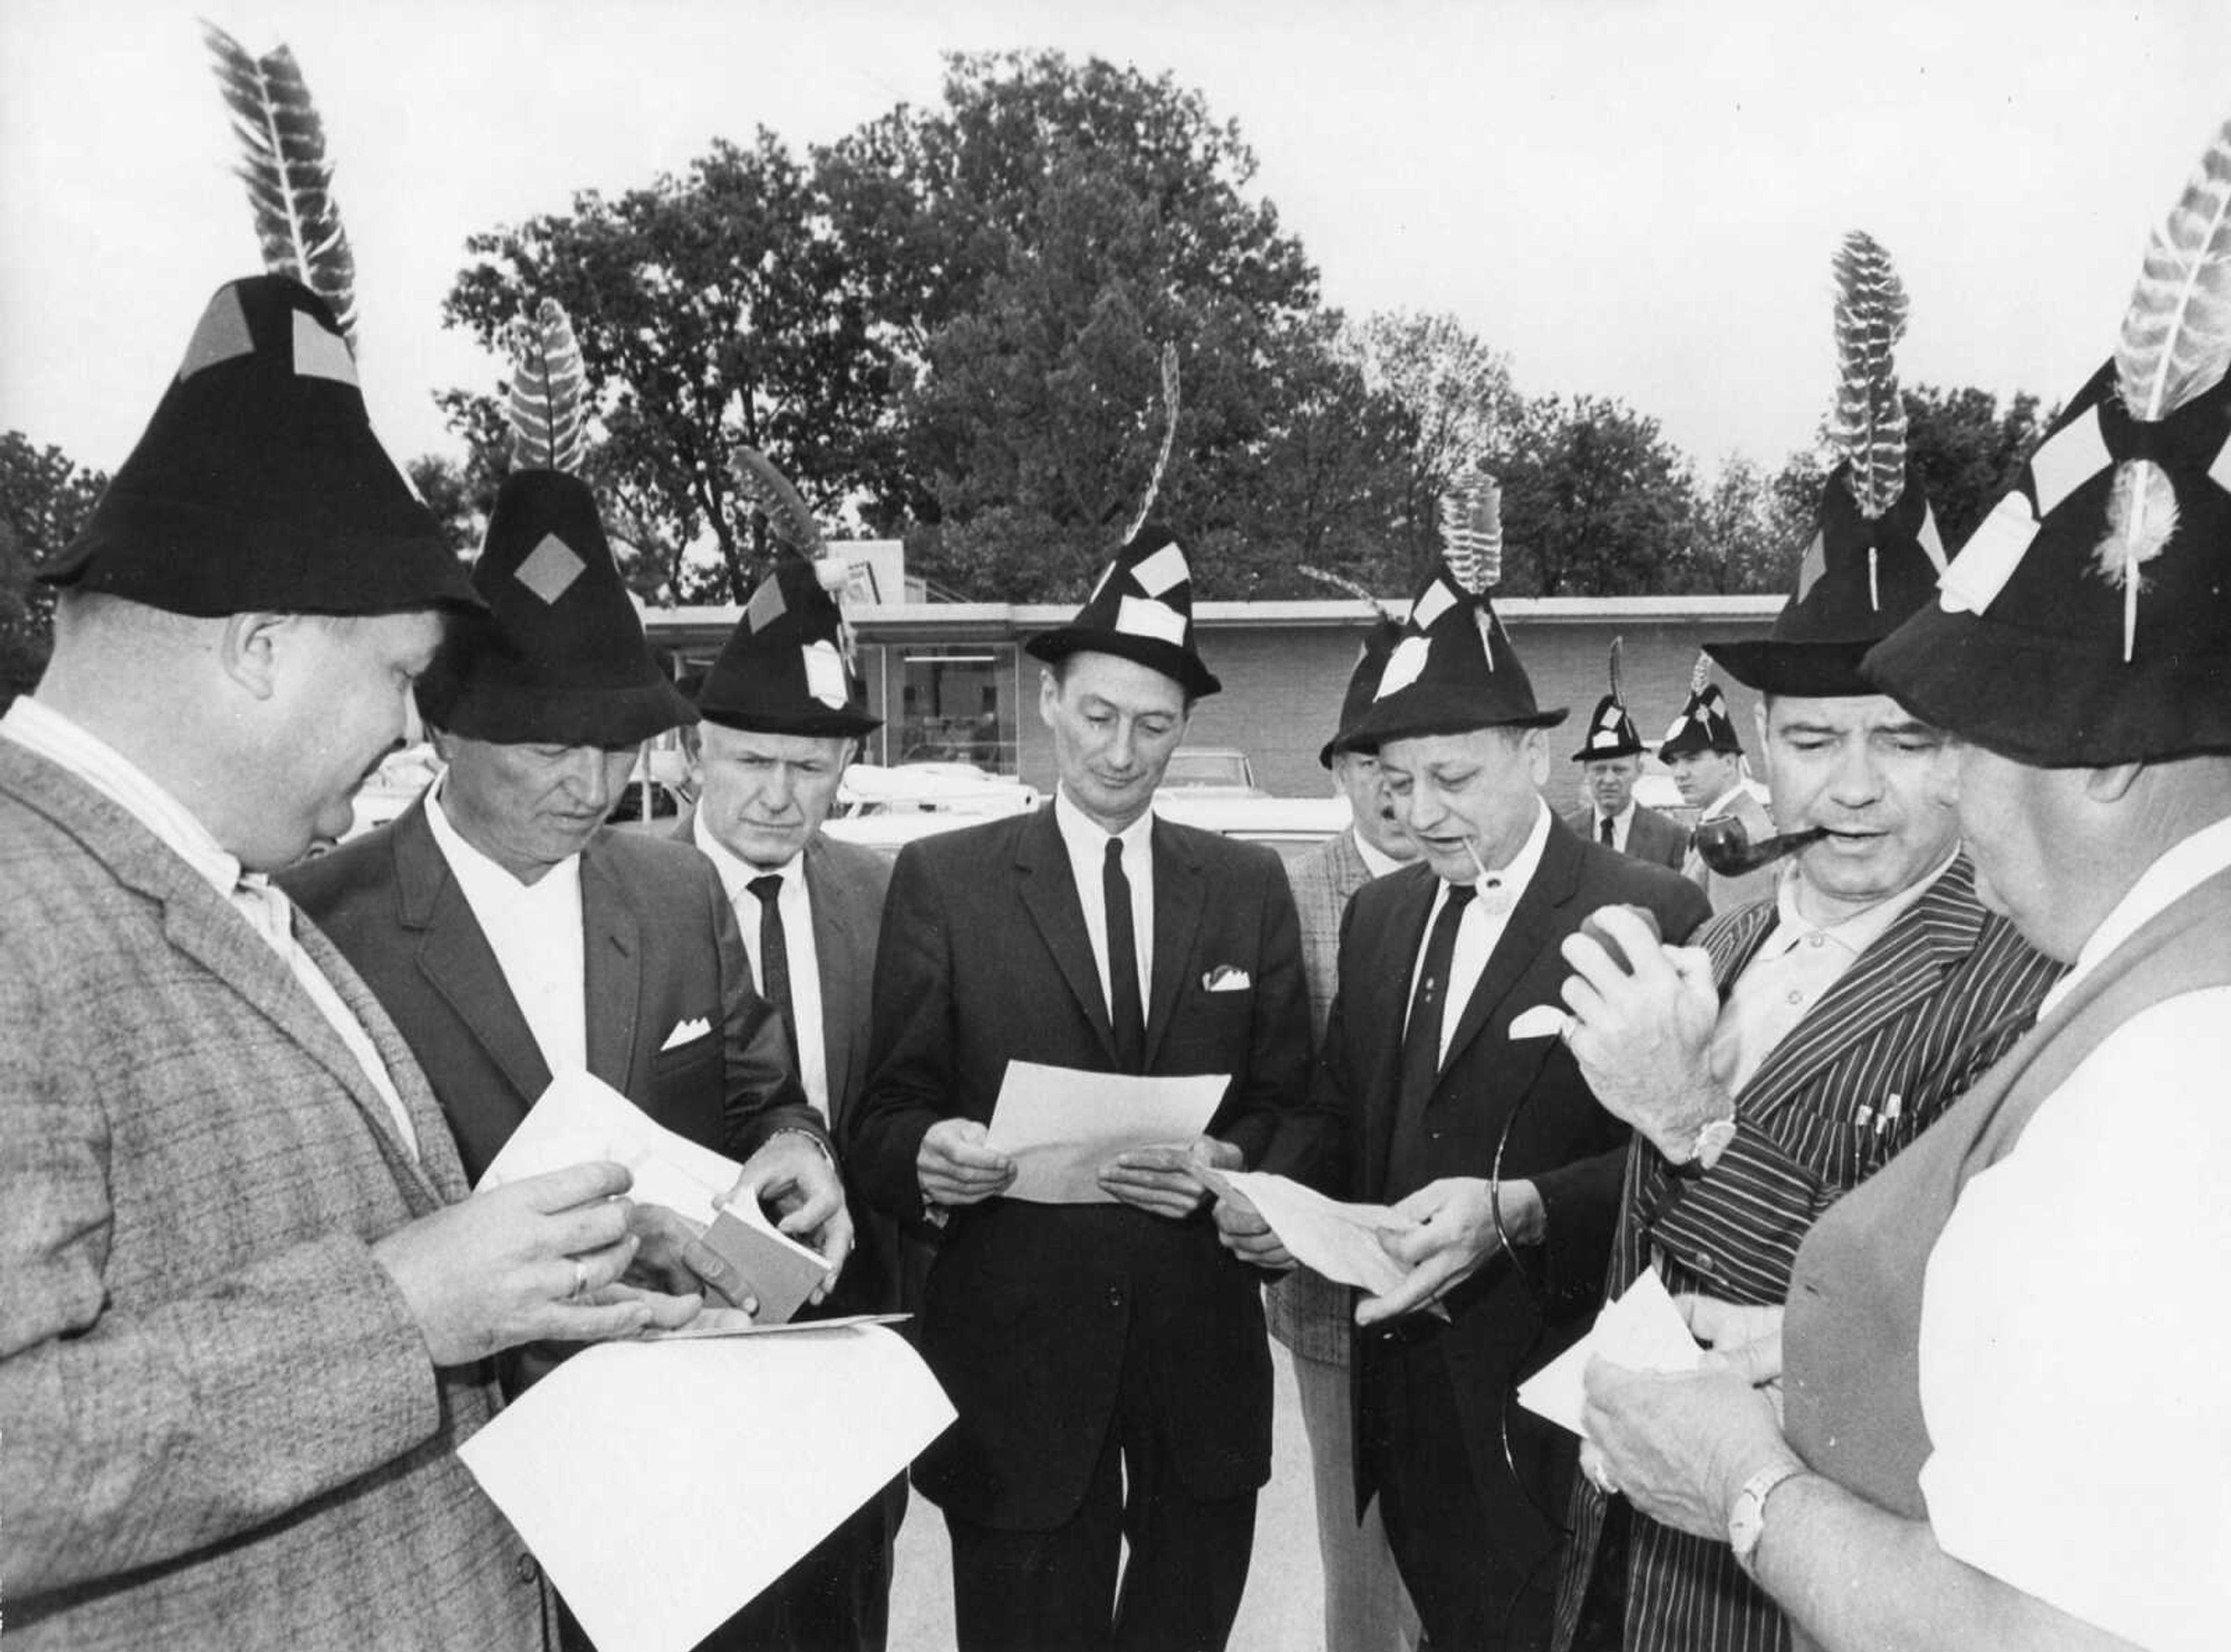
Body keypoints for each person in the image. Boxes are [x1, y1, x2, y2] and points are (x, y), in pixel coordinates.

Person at [1579, 134, 2231, 1652]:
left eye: (1958, 739)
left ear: (2102, 764)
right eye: (1816, 740)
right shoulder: (2146, 983)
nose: (1922, 790)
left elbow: (2060, 1621)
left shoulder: (2164, 1059)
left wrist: (1747, 1484)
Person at [0, 276, 697, 1650]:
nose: (406, 730)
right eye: (396, 678)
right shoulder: (24, 912)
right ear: (261, 650)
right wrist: (407, 1307)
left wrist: (532, 1290)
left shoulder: (234, 882)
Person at [1548, 230, 2062, 1652]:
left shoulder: (2021, 977)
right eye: (1815, 740)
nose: (1851, 786)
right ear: (1755, 743)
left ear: (1970, 753)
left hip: (1816, 1585)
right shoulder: (1712, 936)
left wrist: (1690, 1118)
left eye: (1904, 743)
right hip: (1625, 1551)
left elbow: (1902, 1314)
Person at [1226, 475, 1710, 1651]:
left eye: (1456, 780)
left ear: (1533, 757)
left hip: (1562, 1414)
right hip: (1408, 1413)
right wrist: (1266, 1194)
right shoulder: (1384, 917)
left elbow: (1688, 1168)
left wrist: (1520, 1212)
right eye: (1399, 784)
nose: (1425, 813)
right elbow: (1348, 1113)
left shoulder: (1649, 912)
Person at [281, 345, 845, 1299]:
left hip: (675, 1386)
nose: (595, 784)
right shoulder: (323, 924)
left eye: (620, 744)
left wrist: (798, 1149)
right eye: (550, 748)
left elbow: (762, 1095)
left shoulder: (678, 891)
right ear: (445, 729)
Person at [845, 525, 1312, 1652]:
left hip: (1197, 1372)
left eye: (1154, 727)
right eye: (1099, 717)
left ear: (1185, 728)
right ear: (1047, 700)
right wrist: (930, 1155)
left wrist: (1243, 1169)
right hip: (1017, 1379)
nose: (1121, 751)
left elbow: (1298, 1102)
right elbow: (884, 1113)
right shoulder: (946, 884)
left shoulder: (1246, 888)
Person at [683, 539, 909, 1652]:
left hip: (854, 1326)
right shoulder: (623, 896)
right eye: (751, 759)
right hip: (686, 1333)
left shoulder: (891, 895)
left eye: (810, 766)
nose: (780, 793)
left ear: (843, 773)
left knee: (847, 1603)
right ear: (693, 752)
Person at [1264, 612, 1424, 1652]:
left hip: (1477, 1286)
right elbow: (1275, 1090)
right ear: (1340, 771)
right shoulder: (1283, 897)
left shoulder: (1488, 892)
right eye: (1372, 761)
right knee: (1362, 1571)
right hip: (1335, 1303)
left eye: (1415, 762)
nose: (1396, 787)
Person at [1660, 660, 1775, 910]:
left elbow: (1732, 937)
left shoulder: (1737, 835)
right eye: (1673, 762)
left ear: (1728, 763)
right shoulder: (1722, 822)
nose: (1679, 773)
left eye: (1692, 759)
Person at [1567, 640, 1687, 871]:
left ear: (1638, 771)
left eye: (1620, 770)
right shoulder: (1566, 836)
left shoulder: (1672, 838)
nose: (1609, 780)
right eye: (1599, 770)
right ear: (1586, 773)